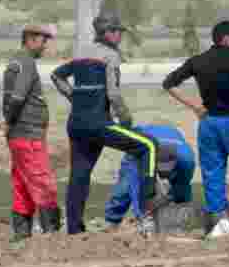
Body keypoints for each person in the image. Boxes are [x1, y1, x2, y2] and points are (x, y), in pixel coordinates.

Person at [51, 13, 166, 236]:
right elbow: (113, 94)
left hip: (76, 125)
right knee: (149, 146)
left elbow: (57, 76)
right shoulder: (110, 56)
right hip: (99, 124)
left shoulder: (81, 53)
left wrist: (75, 97)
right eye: (118, 32)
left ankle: (74, 229)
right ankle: (147, 208)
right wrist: (126, 119)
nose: (120, 36)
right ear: (108, 33)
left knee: (79, 175)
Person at [162, 20, 229, 238]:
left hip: (208, 123)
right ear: (228, 38)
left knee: (212, 172)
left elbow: (168, 84)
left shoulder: (198, 60)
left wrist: (195, 107)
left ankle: (218, 222)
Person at [2, 23, 61, 242]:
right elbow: (18, 97)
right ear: (31, 39)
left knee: (22, 184)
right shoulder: (26, 62)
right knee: (42, 181)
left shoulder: (15, 61)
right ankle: (51, 234)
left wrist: (9, 125)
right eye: (43, 40)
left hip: (18, 135)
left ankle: (22, 234)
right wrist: (9, 122)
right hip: (28, 134)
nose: (45, 45)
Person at [104, 123, 195, 229]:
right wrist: (142, 215)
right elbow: (135, 187)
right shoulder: (138, 158)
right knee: (124, 186)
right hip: (140, 140)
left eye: (167, 169)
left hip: (170, 135)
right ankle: (112, 220)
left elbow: (183, 186)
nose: (163, 173)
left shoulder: (186, 159)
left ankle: (176, 219)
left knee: (179, 188)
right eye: (160, 169)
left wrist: (182, 211)